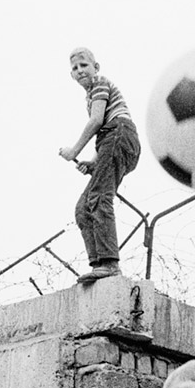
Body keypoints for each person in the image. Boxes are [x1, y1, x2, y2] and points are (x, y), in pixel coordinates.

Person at [57, 46, 141, 284]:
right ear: (71, 75)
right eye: (75, 68)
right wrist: (93, 163)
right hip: (112, 141)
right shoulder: (90, 95)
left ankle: (109, 264)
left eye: (84, 65)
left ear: (96, 67)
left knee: (99, 197)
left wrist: (74, 151)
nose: (80, 70)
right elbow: (104, 137)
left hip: (120, 134)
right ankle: (99, 265)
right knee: (83, 208)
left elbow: (97, 122)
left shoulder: (100, 84)